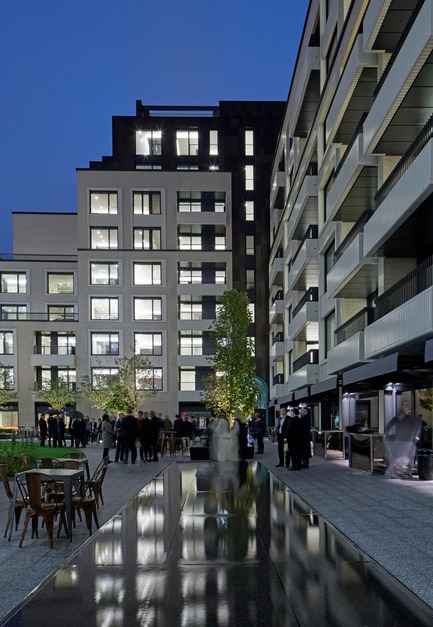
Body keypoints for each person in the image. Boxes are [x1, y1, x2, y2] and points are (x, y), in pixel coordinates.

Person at [384, 404, 424, 478]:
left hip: (409, 442)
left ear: (403, 414)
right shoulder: (396, 418)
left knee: (409, 456)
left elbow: (419, 423)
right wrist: (386, 435)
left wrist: (416, 437)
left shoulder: (410, 419)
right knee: (400, 456)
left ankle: (408, 472)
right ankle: (400, 471)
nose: (399, 418)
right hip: (401, 441)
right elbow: (388, 426)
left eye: (400, 416)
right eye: (398, 417)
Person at [298, 403, 311, 468]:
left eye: (301, 413)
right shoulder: (306, 419)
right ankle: (305, 462)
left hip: (304, 438)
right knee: (304, 451)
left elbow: (302, 428)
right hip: (305, 438)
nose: (300, 414)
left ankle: (305, 463)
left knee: (304, 451)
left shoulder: (304, 420)